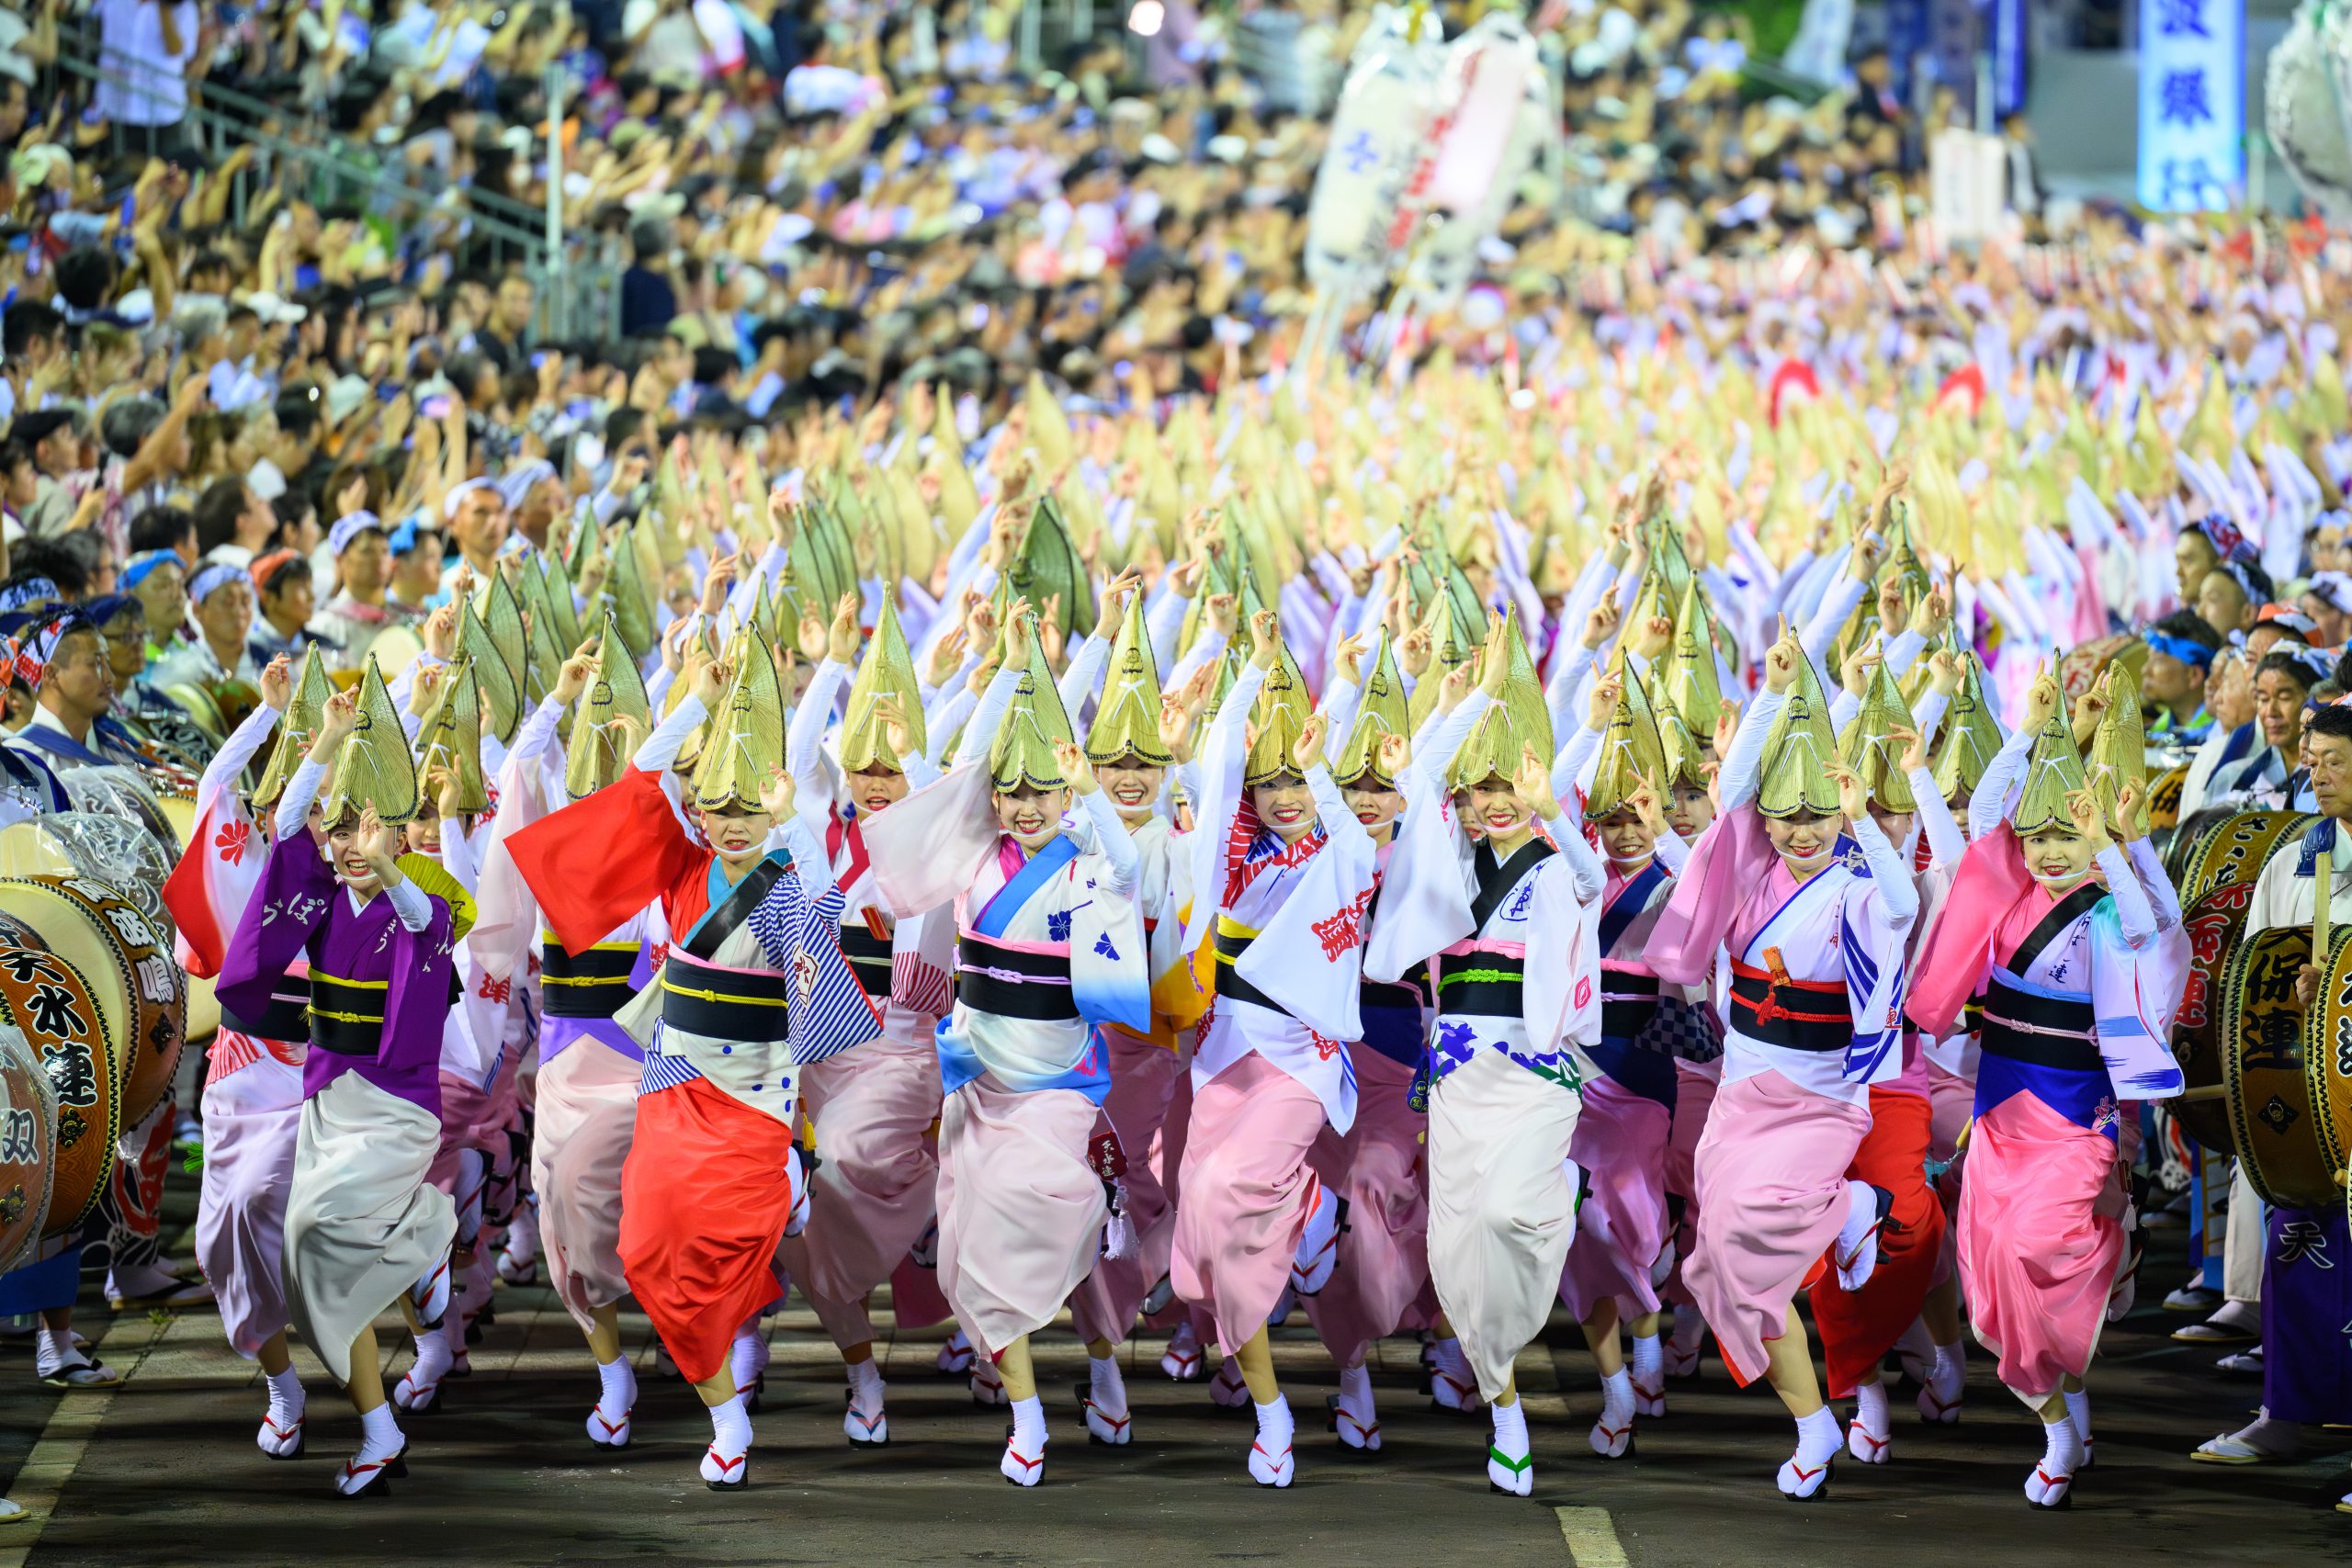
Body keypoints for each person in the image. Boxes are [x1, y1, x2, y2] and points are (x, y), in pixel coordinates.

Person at [510, 632, 875, 1490]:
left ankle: (728, 1416)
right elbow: (642, 778)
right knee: (645, 1250)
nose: (734, 821)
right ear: (698, 811)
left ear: (770, 808)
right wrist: (693, 704)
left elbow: (823, 916)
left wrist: (794, 822)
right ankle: (724, 1406)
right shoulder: (679, 866)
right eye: (718, 806)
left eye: (750, 807)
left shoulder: (782, 881)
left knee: (723, 1253)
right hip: (674, 1081)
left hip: (753, 1099)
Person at [865, 605, 1150, 1484]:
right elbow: (948, 774)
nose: (1026, 806)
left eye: (1043, 792)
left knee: (1056, 1214)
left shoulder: (1088, 859)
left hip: (1060, 1084)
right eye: (1012, 792)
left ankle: (1102, 1363)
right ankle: (1027, 1414)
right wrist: (1009, 663)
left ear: (1066, 793)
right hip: (978, 1083)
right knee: (974, 1253)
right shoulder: (969, 855)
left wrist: (1091, 787)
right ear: (993, 797)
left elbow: (1131, 871)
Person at [1646, 624, 1918, 1499]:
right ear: (1765, 816)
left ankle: (1850, 1204)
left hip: (1822, 1099)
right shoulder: (1747, 872)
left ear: (1841, 812)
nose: (1802, 829)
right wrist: (1774, 689)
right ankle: (1811, 1424)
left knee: (1756, 1227)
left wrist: (1866, 821)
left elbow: (1905, 907)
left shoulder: (1856, 888)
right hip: (1741, 1094)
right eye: (1787, 814)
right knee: (1726, 1263)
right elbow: (1729, 792)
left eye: (1818, 814)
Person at [1909, 688, 2186, 1508]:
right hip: (2000, 1109)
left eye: (2068, 835)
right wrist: (2028, 729)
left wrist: (2113, 845)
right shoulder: (2001, 890)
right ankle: (2060, 1419)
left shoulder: (2109, 908)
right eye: (2040, 837)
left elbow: (2150, 929)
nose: (2052, 851)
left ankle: (2111, 1252)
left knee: (2037, 1243)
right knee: (1994, 1264)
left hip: (2074, 1113)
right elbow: (1985, 810)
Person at [217, 666, 470, 1497]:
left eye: (373, 829)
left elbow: (424, 920)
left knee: (315, 1236)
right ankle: (378, 1427)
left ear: (398, 833)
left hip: (397, 1111)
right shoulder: (322, 897)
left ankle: (423, 1234)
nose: (353, 844)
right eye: (343, 831)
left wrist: (391, 866)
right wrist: (325, 740)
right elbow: (288, 820)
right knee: (315, 1269)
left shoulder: (422, 901)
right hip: (328, 1101)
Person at [1368, 608, 1604, 1495]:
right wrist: (1471, 696)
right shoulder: (1444, 862)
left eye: (1510, 785)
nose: (1495, 800)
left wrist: (1554, 809)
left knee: (1506, 1217)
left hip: (1534, 1075)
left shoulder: (1553, 860)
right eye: (1482, 787)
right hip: (1461, 1077)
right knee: (1456, 1251)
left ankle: (1554, 1198)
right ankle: (1503, 1403)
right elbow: (1420, 775)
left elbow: (1593, 879)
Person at [1172, 608, 1375, 1486]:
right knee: (1211, 1235)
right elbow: (1216, 767)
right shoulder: (1233, 858)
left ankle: (1308, 1206)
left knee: (1229, 1192)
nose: (1283, 794)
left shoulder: (1345, 851)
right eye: (1269, 782)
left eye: (1297, 777)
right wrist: (1249, 671)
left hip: (1301, 1059)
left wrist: (1330, 737)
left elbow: (1350, 834)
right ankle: (1271, 1410)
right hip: (1224, 1055)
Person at [773, 587, 955, 1447]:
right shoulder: (821, 832)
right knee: (782, 1198)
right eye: (864, 766)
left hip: (904, 1047)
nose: (877, 780)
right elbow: (792, 755)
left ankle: (924, 1209)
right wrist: (835, 664)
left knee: (841, 1161)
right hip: (818, 1051)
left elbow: (945, 778)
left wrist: (916, 746)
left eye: (892, 767)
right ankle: (861, 1369)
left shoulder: (936, 843)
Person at [2189, 702, 2352, 1513]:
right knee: (2298, 1239)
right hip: (2307, 1097)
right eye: (2314, 759)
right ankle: (2285, 1411)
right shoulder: (2297, 859)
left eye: (2336, 761)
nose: (2319, 773)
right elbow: (2254, 972)